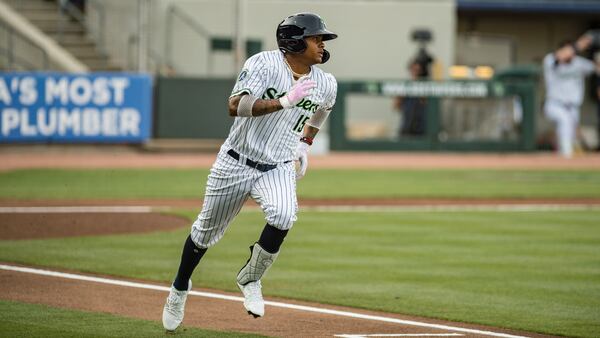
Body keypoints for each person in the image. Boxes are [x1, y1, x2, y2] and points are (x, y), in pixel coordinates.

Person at [161, 12, 338, 332]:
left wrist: (306, 143)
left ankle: (251, 277)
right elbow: (235, 105)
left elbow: (322, 111)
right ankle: (179, 287)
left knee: (284, 216)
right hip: (236, 161)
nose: (322, 44)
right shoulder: (264, 64)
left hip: (279, 165)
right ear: (295, 41)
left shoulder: (326, 82)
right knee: (203, 233)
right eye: (317, 38)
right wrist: (283, 102)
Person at [543, 34, 599, 157]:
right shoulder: (550, 60)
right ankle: (566, 157)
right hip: (555, 104)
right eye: (567, 50)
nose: (570, 53)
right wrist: (580, 44)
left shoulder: (579, 63)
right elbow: (561, 57)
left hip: (573, 107)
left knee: (570, 134)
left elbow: (596, 68)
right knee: (564, 122)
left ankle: (561, 158)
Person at [394, 60, 427, 137]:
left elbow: (427, 104)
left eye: (418, 70)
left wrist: (419, 90)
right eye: (413, 70)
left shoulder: (424, 85)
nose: (415, 72)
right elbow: (396, 106)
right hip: (407, 125)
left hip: (421, 127)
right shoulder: (404, 85)